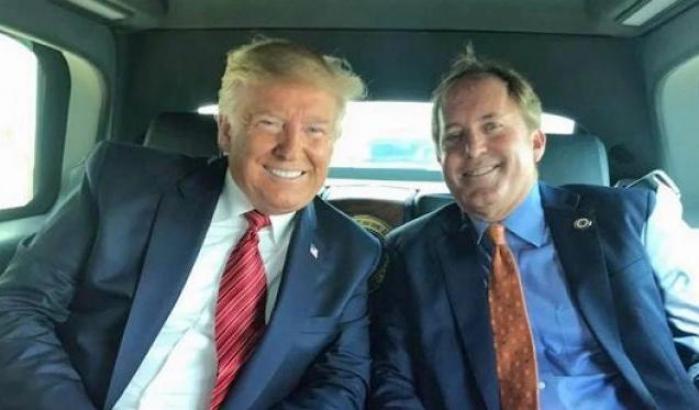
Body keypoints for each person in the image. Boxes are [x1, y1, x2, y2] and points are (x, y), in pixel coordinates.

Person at [0, 38, 381, 410]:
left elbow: (341, 379)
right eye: (269, 123)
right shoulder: (122, 185)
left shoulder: (351, 252)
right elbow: (19, 305)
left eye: (315, 130)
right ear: (227, 131)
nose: (291, 149)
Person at [370, 45, 699, 409]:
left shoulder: (634, 218)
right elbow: (392, 378)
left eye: (492, 127)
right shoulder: (409, 253)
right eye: (453, 136)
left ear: (536, 142)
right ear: (440, 157)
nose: (473, 148)